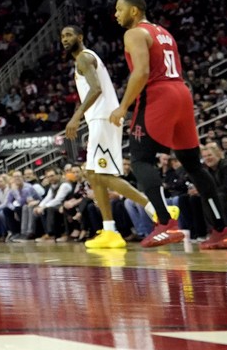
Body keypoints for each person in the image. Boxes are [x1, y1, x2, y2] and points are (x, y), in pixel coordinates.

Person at [107, 0, 227, 250]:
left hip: (158, 95)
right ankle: (222, 230)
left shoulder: (134, 33)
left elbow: (142, 72)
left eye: (119, 10)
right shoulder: (164, 32)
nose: (116, 14)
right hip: (181, 92)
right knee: (193, 165)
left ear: (134, 11)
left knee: (140, 159)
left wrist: (123, 107)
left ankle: (165, 223)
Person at [59, 24, 160, 250]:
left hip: (103, 119)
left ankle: (155, 209)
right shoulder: (86, 58)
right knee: (94, 176)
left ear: (80, 36)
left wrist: (75, 117)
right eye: (62, 36)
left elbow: (95, 89)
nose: (65, 39)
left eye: (68, 35)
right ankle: (110, 231)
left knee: (102, 176)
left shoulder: (84, 58)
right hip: (99, 119)